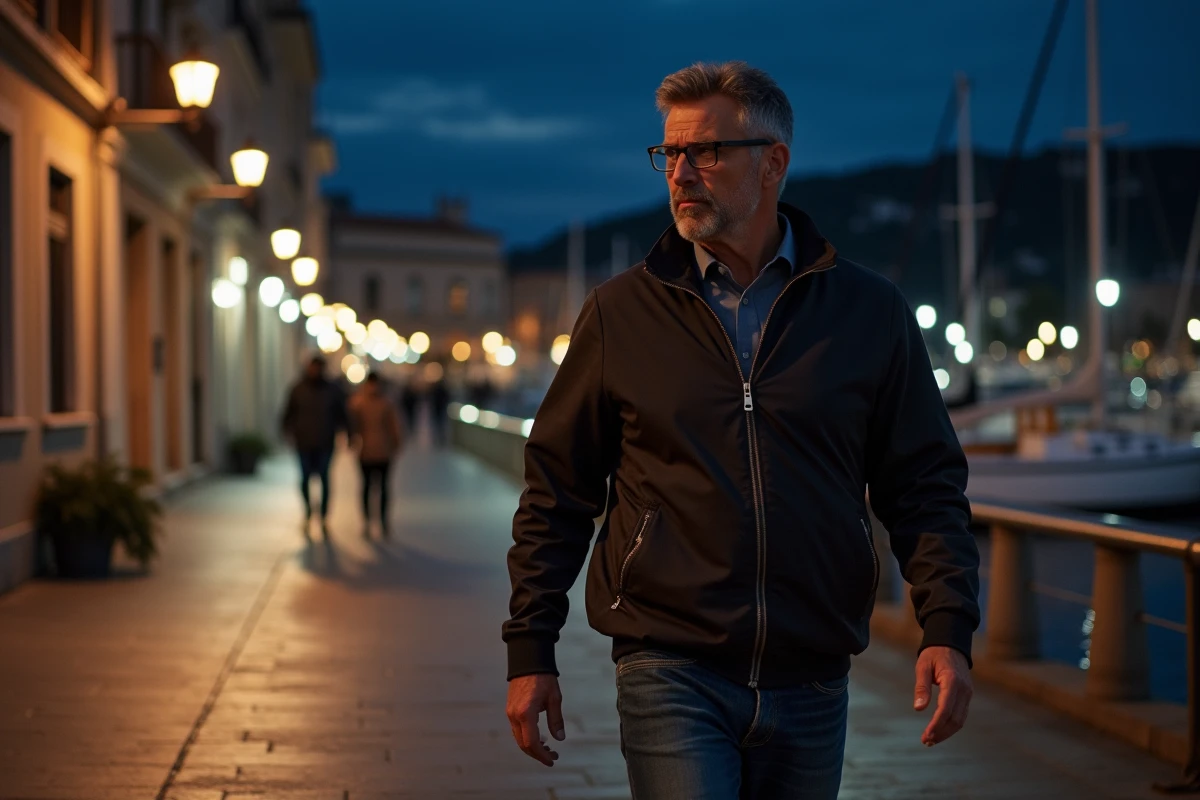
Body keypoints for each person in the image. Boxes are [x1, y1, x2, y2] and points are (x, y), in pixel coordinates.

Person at [502, 62, 981, 800]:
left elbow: (924, 484)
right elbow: (557, 489)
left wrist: (946, 624)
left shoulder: (869, 312)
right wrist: (530, 647)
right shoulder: (619, 314)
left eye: (708, 152)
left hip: (814, 671)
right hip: (669, 663)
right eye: (670, 155)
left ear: (773, 163)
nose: (682, 173)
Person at [281, 355, 347, 537]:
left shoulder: (332, 390)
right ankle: (309, 510)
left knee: (324, 478)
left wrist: (347, 433)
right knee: (304, 479)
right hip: (303, 442)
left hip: (325, 442)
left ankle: (324, 515)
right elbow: (288, 411)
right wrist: (287, 431)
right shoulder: (298, 389)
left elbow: (342, 413)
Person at [348, 372, 404, 538]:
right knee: (367, 487)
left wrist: (396, 444)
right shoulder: (358, 403)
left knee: (383, 487)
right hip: (365, 452)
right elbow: (353, 426)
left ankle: (383, 521)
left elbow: (394, 427)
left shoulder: (386, 404)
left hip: (383, 452)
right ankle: (367, 520)